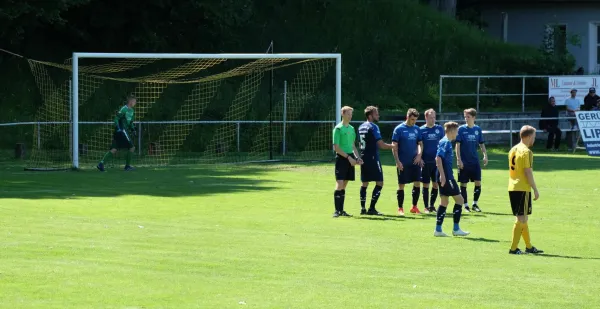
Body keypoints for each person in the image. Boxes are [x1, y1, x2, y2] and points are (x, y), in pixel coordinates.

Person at [508, 125, 544, 255]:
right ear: (528, 137)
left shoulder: (513, 149)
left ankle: (529, 246)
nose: (534, 139)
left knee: (523, 219)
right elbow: (528, 172)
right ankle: (513, 248)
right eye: (534, 137)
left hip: (513, 187)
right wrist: (535, 189)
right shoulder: (526, 151)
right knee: (521, 219)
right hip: (522, 188)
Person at [433, 121, 470, 237]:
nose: (457, 134)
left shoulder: (445, 142)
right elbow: (438, 158)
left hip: (444, 175)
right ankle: (456, 229)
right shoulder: (445, 142)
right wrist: (443, 176)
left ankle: (438, 230)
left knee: (444, 202)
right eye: (457, 131)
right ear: (452, 131)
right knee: (460, 200)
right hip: (447, 177)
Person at [358, 106, 394, 215]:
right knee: (380, 182)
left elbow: (360, 143)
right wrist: (393, 146)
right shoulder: (373, 127)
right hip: (373, 157)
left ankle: (363, 208)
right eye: (376, 114)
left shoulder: (361, 126)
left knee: (365, 183)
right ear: (370, 115)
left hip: (363, 157)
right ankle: (371, 208)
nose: (378, 115)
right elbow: (381, 145)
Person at [391, 108, 424, 216]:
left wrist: (419, 155)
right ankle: (400, 208)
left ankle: (414, 207)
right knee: (401, 185)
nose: (413, 122)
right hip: (403, 162)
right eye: (412, 119)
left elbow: (420, 144)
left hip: (415, 162)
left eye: (415, 120)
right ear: (407, 117)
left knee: (417, 183)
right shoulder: (399, 129)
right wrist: (397, 161)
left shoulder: (417, 129)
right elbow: (394, 147)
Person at [332, 106, 363, 218]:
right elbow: (336, 147)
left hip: (350, 157)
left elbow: (352, 145)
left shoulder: (351, 129)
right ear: (343, 114)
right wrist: (348, 158)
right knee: (339, 183)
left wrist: (357, 157)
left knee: (344, 184)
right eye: (348, 114)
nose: (350, 116)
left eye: (351, 114)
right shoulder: (338, 129)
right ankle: (336, 210)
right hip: (342, 157)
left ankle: (342, 210)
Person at [456, 108, 488, 213]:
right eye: (465, 116)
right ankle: (465, 205)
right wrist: (459, 160)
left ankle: (475, 204)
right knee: (463, 184)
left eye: (468, 117)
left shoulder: (477, 129)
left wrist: (485, 155)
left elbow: (481, 143)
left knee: (478, 182)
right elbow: (457, 145)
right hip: (464, 162)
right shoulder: (461, 129)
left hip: (475, 162)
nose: (466, 118)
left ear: (474, 117)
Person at [97, 94, 138, 172]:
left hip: (123, 131)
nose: (135, 103)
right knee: (132, 147)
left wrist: (133, 130)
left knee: (114, 149)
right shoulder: (124, 109)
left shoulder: (132, 111)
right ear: (130, 101)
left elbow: (130, 122)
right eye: (134, 101)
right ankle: (127, 166)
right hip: (121, 131)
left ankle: (101, 164)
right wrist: (119, 128)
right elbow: (116, 118)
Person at [419, 109, 444, 213]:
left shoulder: (439, 129)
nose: (433, 119)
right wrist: (419, 157)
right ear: (426, 118)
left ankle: (432, 206)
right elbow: (418, 145)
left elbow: (443, 144)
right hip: (425, 162)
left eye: (434, 117)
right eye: (431, 117)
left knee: (435, 184)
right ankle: (425, 207)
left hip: (437, 163)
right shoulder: (421, 130)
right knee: (425, 184)